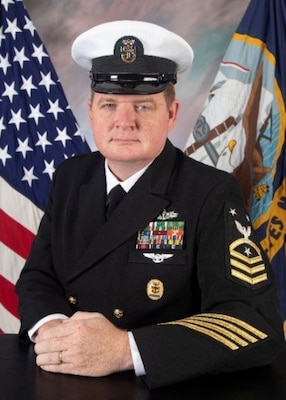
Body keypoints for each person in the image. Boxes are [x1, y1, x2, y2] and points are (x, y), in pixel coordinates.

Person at [16, 20, 285, 389]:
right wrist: (53, 330)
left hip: (159, 385)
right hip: (65, 376)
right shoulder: (70, 176)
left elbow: (254, 321)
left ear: (171, 115)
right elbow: (38, 277)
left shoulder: (210, 192)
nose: (124, 122)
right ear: (91, 111)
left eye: (143, 106)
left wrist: (125, 349)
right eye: (109, 104)